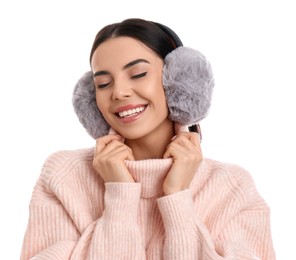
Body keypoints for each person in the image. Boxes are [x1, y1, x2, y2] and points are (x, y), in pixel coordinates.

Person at [20, 18, 275, 259]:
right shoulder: (63, 176)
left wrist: (177, 196)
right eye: (103, 84)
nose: (118, 92)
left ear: (179, 82)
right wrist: (120, 195)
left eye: (138, 74)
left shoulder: (231, 188)